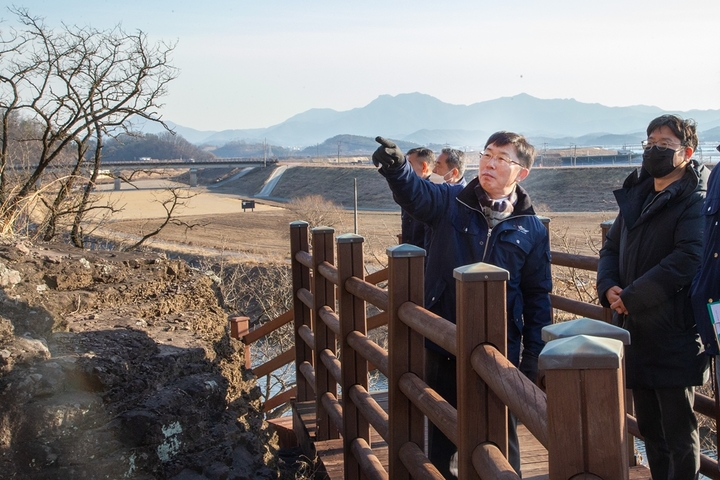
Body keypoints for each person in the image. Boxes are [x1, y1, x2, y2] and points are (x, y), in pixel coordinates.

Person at [373, 132, 551, 478]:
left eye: (502, 158)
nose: (490, 163)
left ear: (522, 172)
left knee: (501, 438)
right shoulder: (452, 199)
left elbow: (537, 295)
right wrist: (397, 170)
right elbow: (417, 194)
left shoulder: (531, 227)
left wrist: (533, 357)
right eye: (487, 154)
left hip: (502, 350)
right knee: (443, 431)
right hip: (445, 340)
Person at [597, 114, 709, 480]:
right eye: (649, 143)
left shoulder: (694, 199)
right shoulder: (638, 194)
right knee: (649, 428)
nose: (654, 150)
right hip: (635, 328)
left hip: (674, 329)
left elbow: (688, 258)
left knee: (679, 430)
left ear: (687, 152)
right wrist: (608, 286)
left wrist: (633, 296)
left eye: (664, 144)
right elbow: (611, 247)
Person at [400, 147, 435, 248]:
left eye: (409, 164)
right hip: (411, 254)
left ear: (424, 167)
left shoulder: (432, 194)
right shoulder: (413, 190)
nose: (406, 169)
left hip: (423, 257)